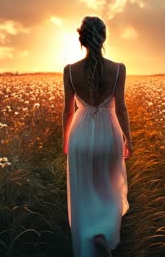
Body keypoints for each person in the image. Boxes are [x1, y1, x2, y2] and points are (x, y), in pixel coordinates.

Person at [61, 16, 134, 257]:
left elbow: (67, 110)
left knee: (83, 192)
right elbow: (121, 108)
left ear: (81, 38)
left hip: (79, 134)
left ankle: (89, 241)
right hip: (109, 134)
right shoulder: (118, 69)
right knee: (108, 188)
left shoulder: (70, 71)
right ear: (103, 38)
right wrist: (128, 140)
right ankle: (104, 234)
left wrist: (66, 141)